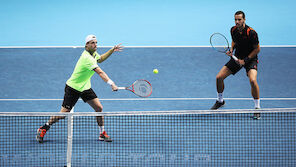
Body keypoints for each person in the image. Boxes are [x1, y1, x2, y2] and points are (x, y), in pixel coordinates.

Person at [36, 35, 123, 143]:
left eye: (96, 42)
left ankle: (102, 133)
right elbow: (100, 72)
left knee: (99, 108)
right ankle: (44, 127)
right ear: (86, 45)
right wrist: (111, 83)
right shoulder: (87, 58)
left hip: (85, 87)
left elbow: (100, 59)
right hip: (73, 88)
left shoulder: (93, 54)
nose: (95, 45)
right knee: (63, 114)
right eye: (92, 43)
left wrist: (111, 50)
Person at [210, 11, 261, 119]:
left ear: (244, 20)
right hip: (237, 57)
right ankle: (220, 101)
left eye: (239, 20)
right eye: (235, 19)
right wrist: (232, 49)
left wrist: (245, 60)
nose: (237, 22)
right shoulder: (233, 30)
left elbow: (257, 49)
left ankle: (257, 107)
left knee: (252, 80)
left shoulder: (251, 33)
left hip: (250, 59)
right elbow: (234, 40)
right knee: (219, 77)